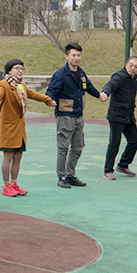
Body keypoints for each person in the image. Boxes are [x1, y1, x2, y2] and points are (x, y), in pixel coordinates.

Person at [0, 58, 55, 196]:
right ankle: (6, 186)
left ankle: (14, 183)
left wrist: (47, 100)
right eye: (17, 68)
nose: (20, 71)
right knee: (8, 156)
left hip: (20, 128)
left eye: (22, 68)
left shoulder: (21, 85)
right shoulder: (4, 85)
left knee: (18, 156)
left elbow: (33, 94)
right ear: (9, 71)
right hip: (8, 128)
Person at [46, 42, 107, 189]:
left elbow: (88, 87)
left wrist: (99, 95)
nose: (76, 58)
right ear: (67, 56)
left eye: (79, 55)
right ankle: (61, 176)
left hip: (79, 116)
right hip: (64, 116)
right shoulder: (60, 74)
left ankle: (70, 174)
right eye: (73, 55)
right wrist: (50, 100)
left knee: (78, 146)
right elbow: (51, 91)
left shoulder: (81, 73)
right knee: (63, 148)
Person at [100, 56, 137, 180]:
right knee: (114, 143)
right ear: (126, 65)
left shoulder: (135, 79)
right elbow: (111, 85)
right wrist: (105, 93)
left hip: (128, 116)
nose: (133, 68)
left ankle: (123, 164)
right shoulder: (119, 77)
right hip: (116, 116)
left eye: (136, 67)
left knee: (135, 140)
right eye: (131, 65)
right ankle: (108, 170)